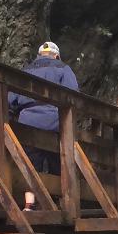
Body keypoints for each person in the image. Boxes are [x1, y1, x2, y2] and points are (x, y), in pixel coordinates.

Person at [9, 42, 79, 208]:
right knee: (58, 161)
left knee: (29, 162)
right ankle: (60, 202)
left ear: (39, 55)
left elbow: (11, 99)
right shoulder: (63, 69)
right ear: (56, 56)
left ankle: (29, 204)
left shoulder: (25, 71)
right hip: (54, 119)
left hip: (27, 120)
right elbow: (73, 94)